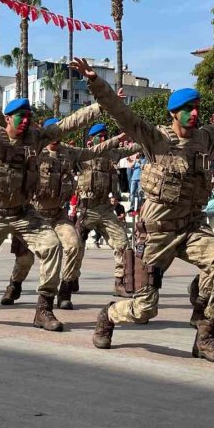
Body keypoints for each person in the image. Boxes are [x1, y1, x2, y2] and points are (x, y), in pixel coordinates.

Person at [72, 56, 214, 363]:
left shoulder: (207, 138)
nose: (194, 114)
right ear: (173, 113)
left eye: (197, 108)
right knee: (144, 310)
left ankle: (206, 335)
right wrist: (95, 82)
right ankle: (109, 315)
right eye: (188, 109)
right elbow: (122, 113)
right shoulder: (155, 139)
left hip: (192, 228)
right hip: (157, 233)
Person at [0, 81, 100, 330]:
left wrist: (101, 106)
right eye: (20, 117)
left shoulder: (37, 138)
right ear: (7, 119)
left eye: (28, 116)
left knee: (52, 246)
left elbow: (70, 123)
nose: (26, 121)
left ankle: (44, 308)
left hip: (25, 213)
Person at [7, 117, 125, 311]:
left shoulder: (69, 154)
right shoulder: (33, 152)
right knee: (25, 257)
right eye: (51, 133)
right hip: (34, 214)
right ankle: (15, 284)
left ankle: (65, 291)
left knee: (74, 245)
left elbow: (93, 151)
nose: (55, 137)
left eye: (58, 133)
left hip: (58, 215)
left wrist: (117, 139)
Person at [75, 122, 139, 297]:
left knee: (123, 244)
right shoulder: (83, 155)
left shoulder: (113, 154)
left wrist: (146, 134)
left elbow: (133, 148)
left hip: (105, 209)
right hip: (86, 210)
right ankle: (69, 281)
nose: (103, 139)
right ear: (90, 140)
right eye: (99, 136)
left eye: (105, 135)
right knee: (75, 247)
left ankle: (120, 283)